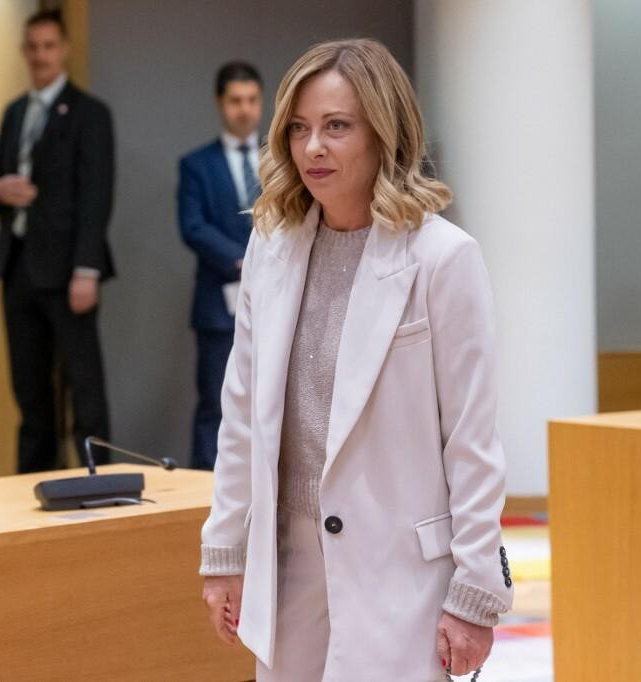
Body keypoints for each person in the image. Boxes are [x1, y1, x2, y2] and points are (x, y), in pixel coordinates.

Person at [199, 39, 513, 680]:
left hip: (401, 573)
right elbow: (241, 417)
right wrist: (225, 552)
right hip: (287, 567)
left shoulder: (443, 258)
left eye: (337, 127)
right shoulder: (272, 247)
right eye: (300, 129)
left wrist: (476, 594)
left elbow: (472, 443)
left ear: (383, 133)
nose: (313, 147)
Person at [0, 9, 114, 473]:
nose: (40, 55)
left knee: (84, 391)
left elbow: (96, 197)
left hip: (69, 273)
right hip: (18, 266)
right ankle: (32, 487)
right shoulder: (14, 112)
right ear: (24, 51)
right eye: (33, 47)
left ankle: (98, 486)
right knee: (30, 391)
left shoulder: (90, 114)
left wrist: (87, 269)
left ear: (64, 50)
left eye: (48, 46)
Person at [177, 62, 263, 471]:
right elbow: (192, 227)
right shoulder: (196, 164)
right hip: (218, 301)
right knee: (215, 401)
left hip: (277, 298)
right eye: (235, 101)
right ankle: (201, 499)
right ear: (220, 103)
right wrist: (241, 259)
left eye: (251, 100)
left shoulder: (282, 160)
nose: (244, 110)